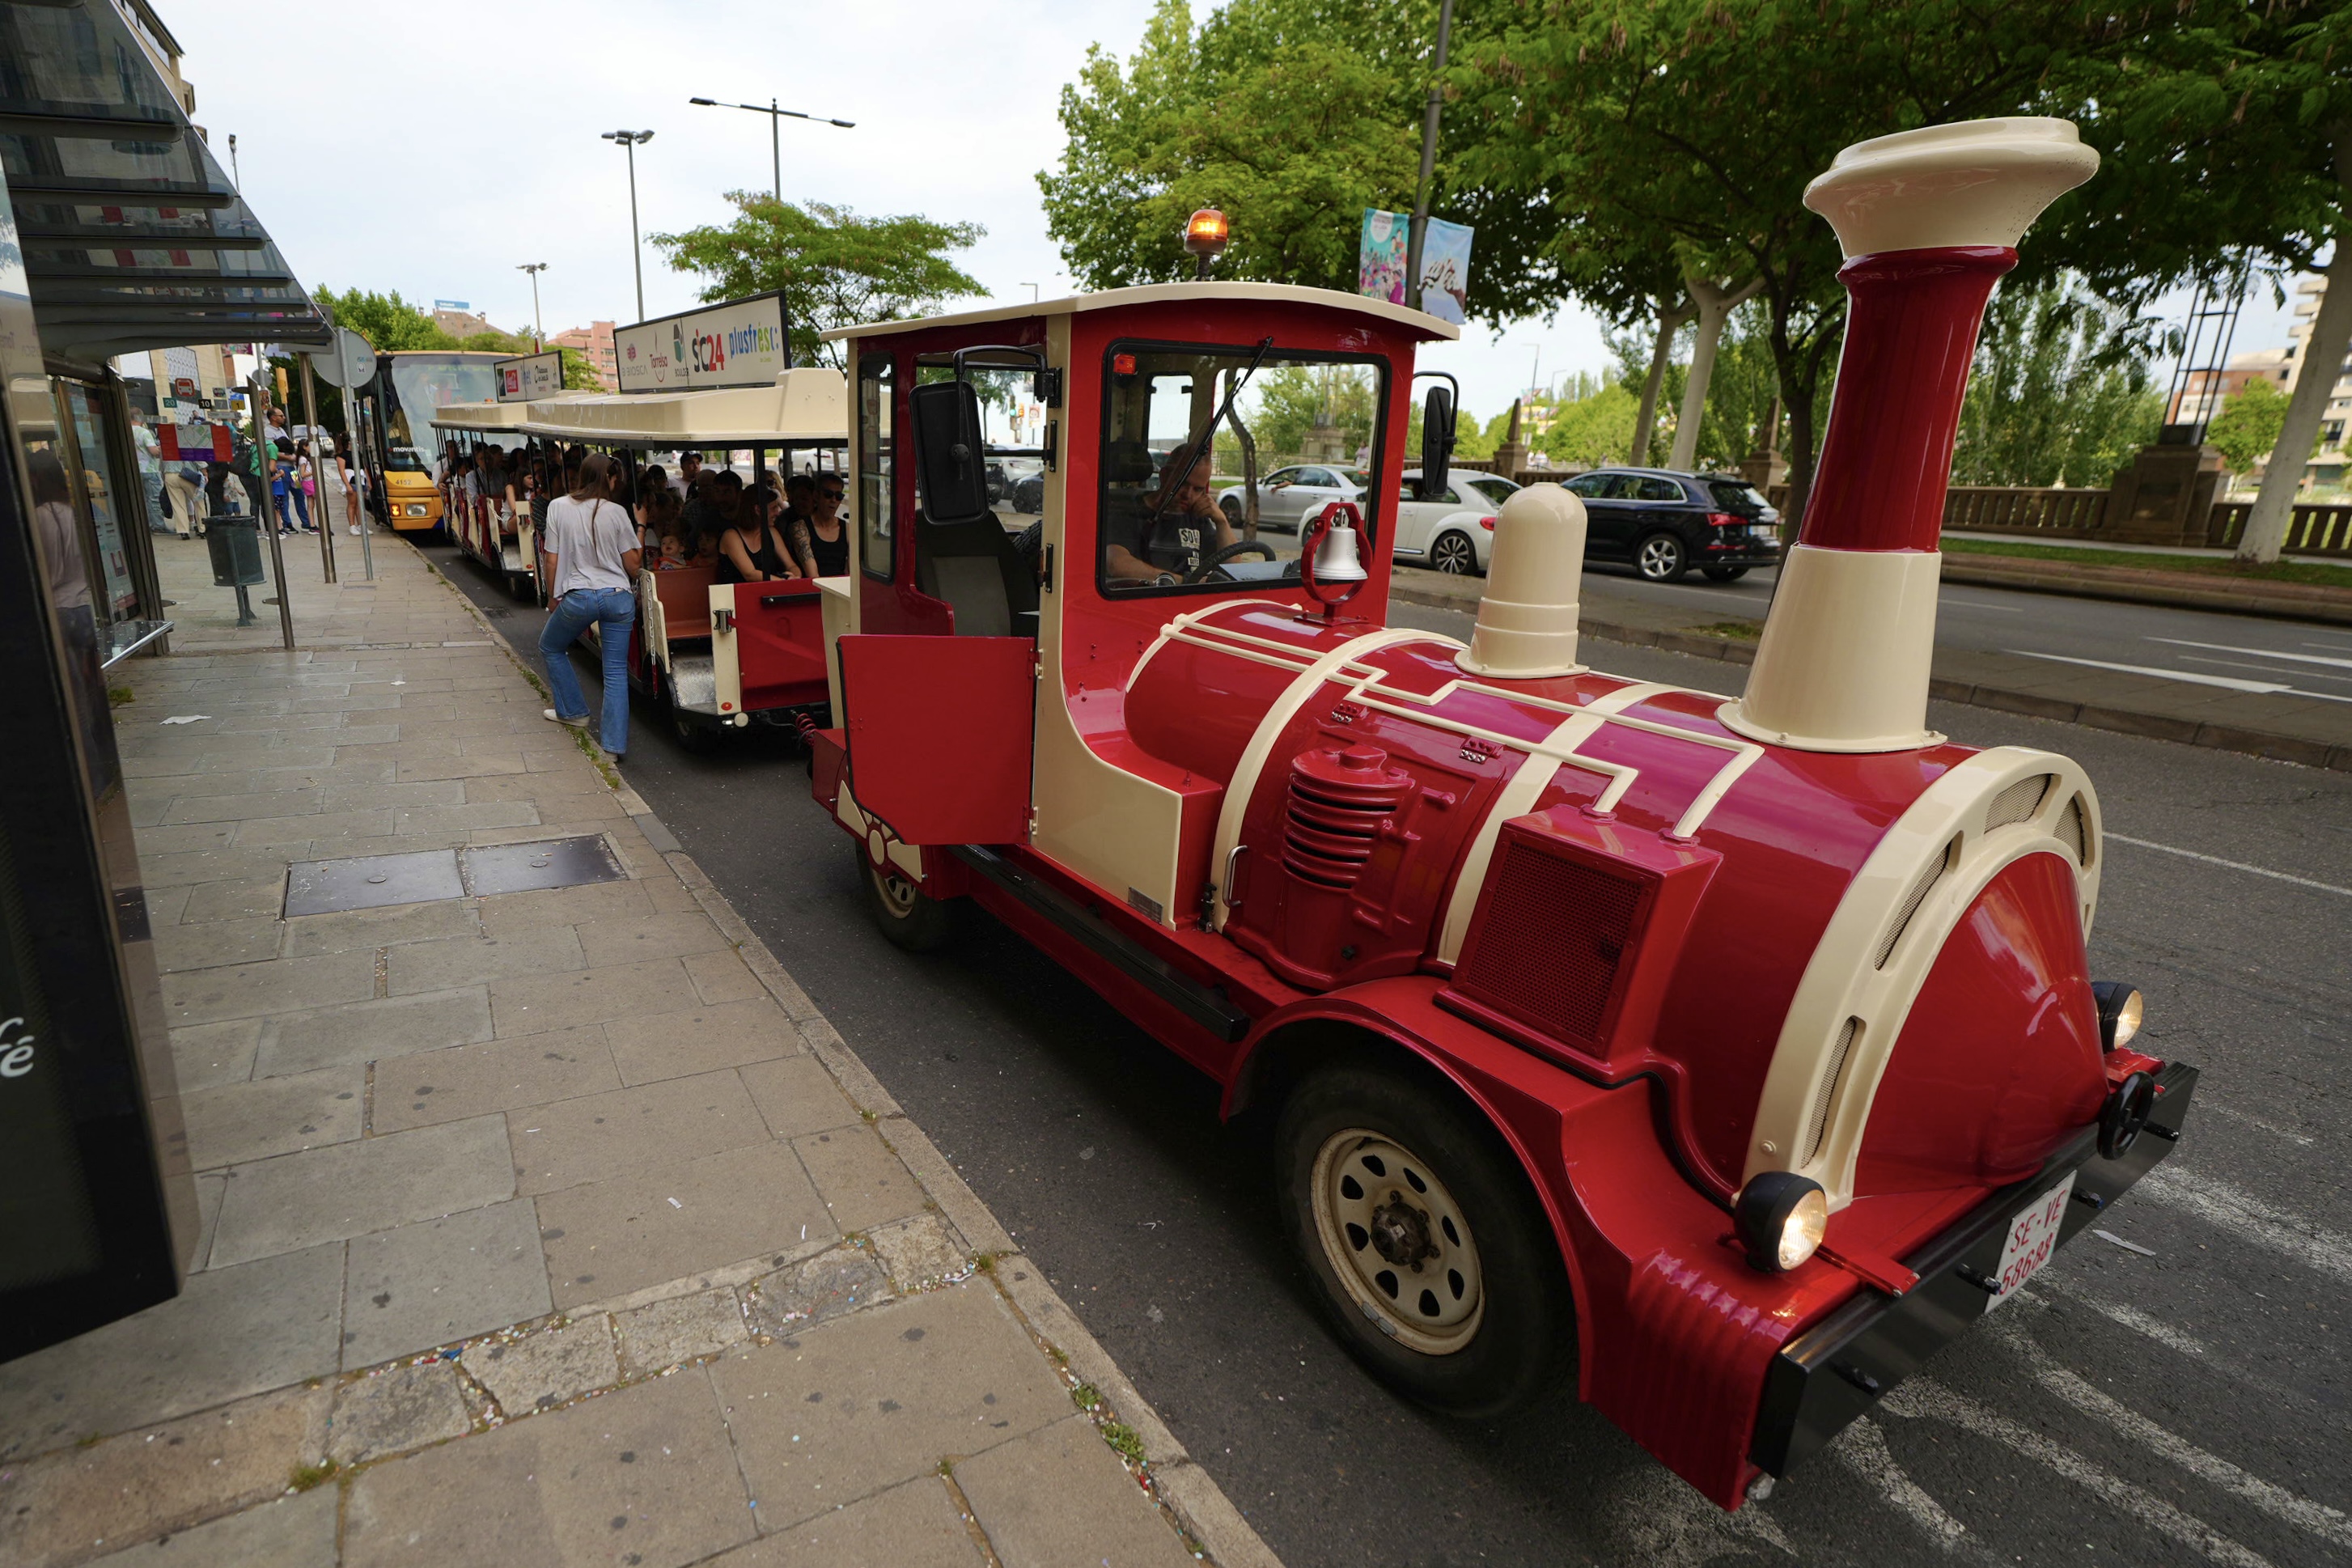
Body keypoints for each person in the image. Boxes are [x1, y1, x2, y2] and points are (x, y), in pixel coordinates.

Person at [538, 451, 641, 761]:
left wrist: (553, 597)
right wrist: (643, 526)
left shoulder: (558, 507)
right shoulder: (618, 512)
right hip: (618, 598)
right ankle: (612, 748)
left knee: (551, 646)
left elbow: (551, 558)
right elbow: (634, 566)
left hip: (579, 596)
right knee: (615, 673)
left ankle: (573, 711)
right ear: (608, 479)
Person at [1102, 439, 1234, 585]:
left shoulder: (1196, 516)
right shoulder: (1130, 511)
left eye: (1198, 489)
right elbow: (1116, 563)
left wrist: (1221, 522)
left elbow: (1233, 568)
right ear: (1164, 476)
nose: (1188, 495)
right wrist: (1186, 582)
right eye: (1183, 484)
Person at [715, 481, 801, 583]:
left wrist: (795, 578)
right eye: (773, 508)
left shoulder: (772, 532)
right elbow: (750, 574)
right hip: (736, 596)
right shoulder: (731, 536)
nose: (778, 513)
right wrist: (783, 582)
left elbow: (791, 565)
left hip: (769, 593)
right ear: (758, 510)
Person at [799, 471, 850, 577]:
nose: (833, 500)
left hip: (840, 587)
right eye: (828, 495)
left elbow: (852, 568)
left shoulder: (848, 528)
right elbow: (812, 575)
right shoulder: (801, 527)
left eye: (839, 496)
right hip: (813, 589)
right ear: (816, 496)